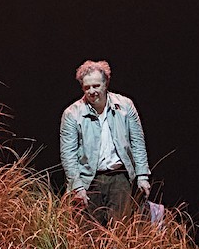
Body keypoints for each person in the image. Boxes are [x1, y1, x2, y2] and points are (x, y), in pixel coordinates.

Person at [59, 60, 151, 224]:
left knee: (120, 229)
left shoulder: (124, 106)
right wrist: (77, 187)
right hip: (89, 179)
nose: (92, 91)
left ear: (106, 83)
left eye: (96, 86)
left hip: (119, 177)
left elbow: (137, 142)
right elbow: (68, 154)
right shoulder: (72, 113)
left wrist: (142, 175)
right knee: (91, 234)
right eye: (87, 87)